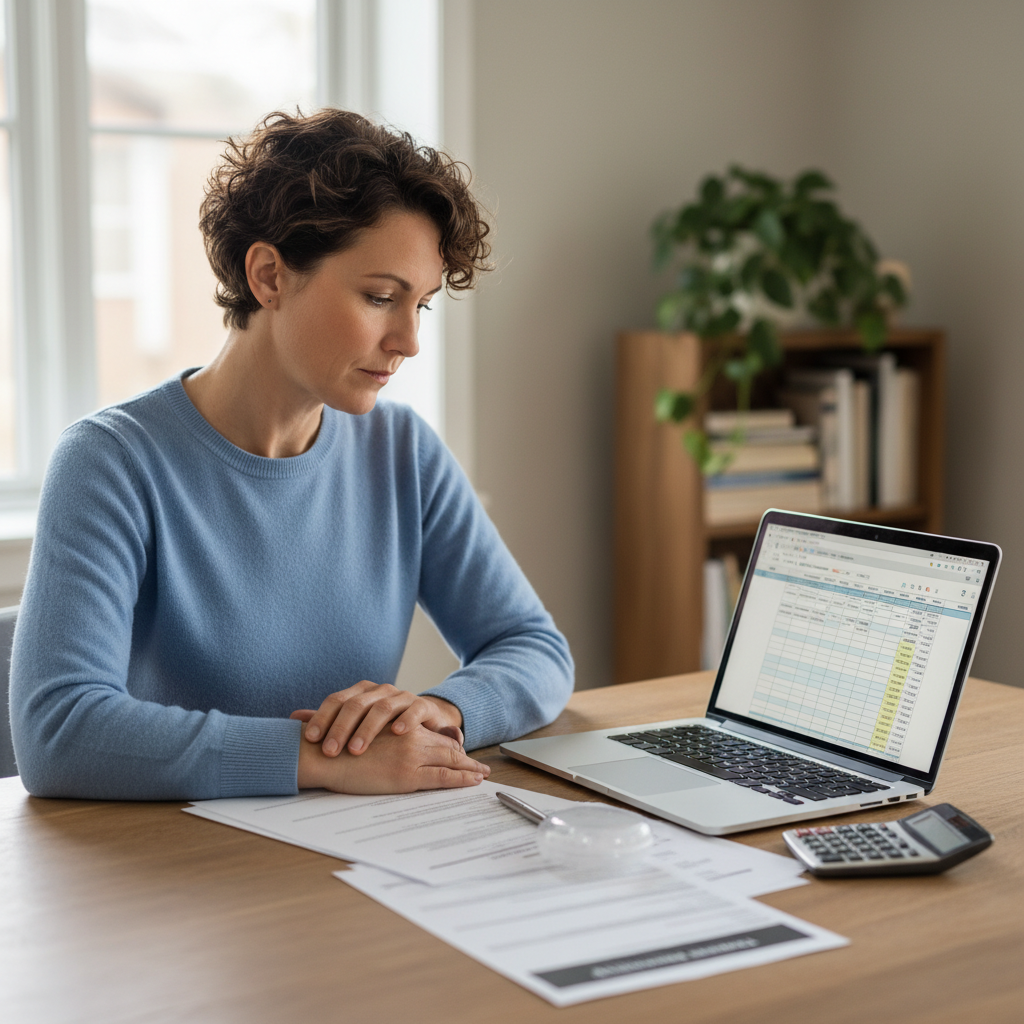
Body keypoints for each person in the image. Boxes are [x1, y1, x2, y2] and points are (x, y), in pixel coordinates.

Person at [10, 110, 574, 800]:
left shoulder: (402, 451)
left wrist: (440, 710)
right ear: (269, 276)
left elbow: (535, 649)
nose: (408, 341)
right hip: (170, 854)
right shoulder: (110, 463)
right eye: (380, 297)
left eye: (421, 305)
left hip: (347, 845)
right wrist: (321, 758)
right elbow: (58, 730)